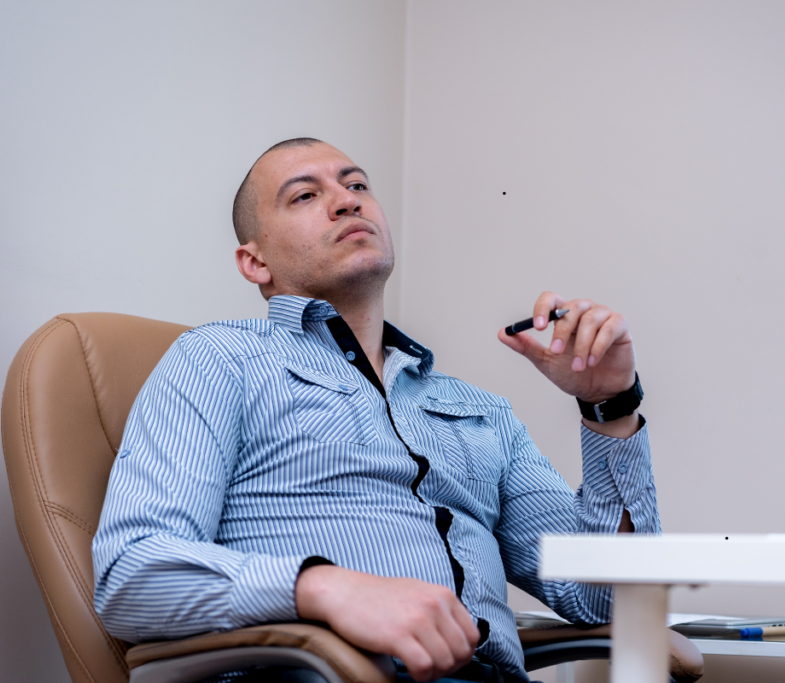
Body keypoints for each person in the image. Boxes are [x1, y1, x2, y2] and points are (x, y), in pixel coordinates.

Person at [92, 138, 660, 683]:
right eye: (305, 195)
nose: (347, 199)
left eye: (357, 183)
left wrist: (609, 403)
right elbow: (131, 575)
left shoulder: (480, 412)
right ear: (253, 262)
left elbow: (605, 599)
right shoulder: (219, 360)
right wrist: (326, 589)